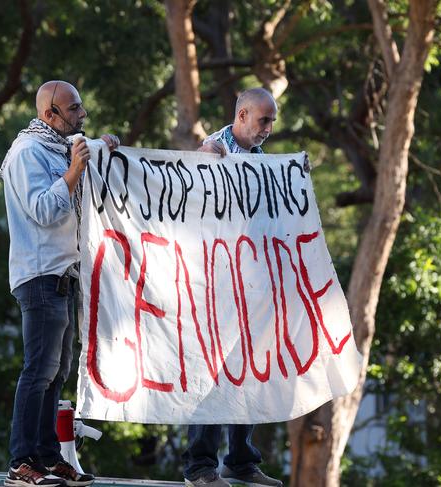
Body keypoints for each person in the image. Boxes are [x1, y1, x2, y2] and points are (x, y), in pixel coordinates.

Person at [0, 80, 119, 487]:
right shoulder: (28, 152)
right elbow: (44, 210)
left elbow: (83, 165)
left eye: (81, 107)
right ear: (49, 114)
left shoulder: (57, 147)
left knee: (57, 371)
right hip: (39, 274)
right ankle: (21, 462)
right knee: (38, 370)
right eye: (74, 109)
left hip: (63, 276)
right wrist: (73, 170)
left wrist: (101, 148)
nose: (81, 115)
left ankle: (48, 457)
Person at [182, 88, 284, 487]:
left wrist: (295, 177)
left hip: (252, 285)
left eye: (272, 121)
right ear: (242, 115)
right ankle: (200, 467)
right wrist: (199, 167)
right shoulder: (209, 152)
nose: (269, 129)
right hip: (213, 285)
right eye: (264, 120)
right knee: (211, 375)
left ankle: (241, 461)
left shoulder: (262, 162)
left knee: (249, 374)